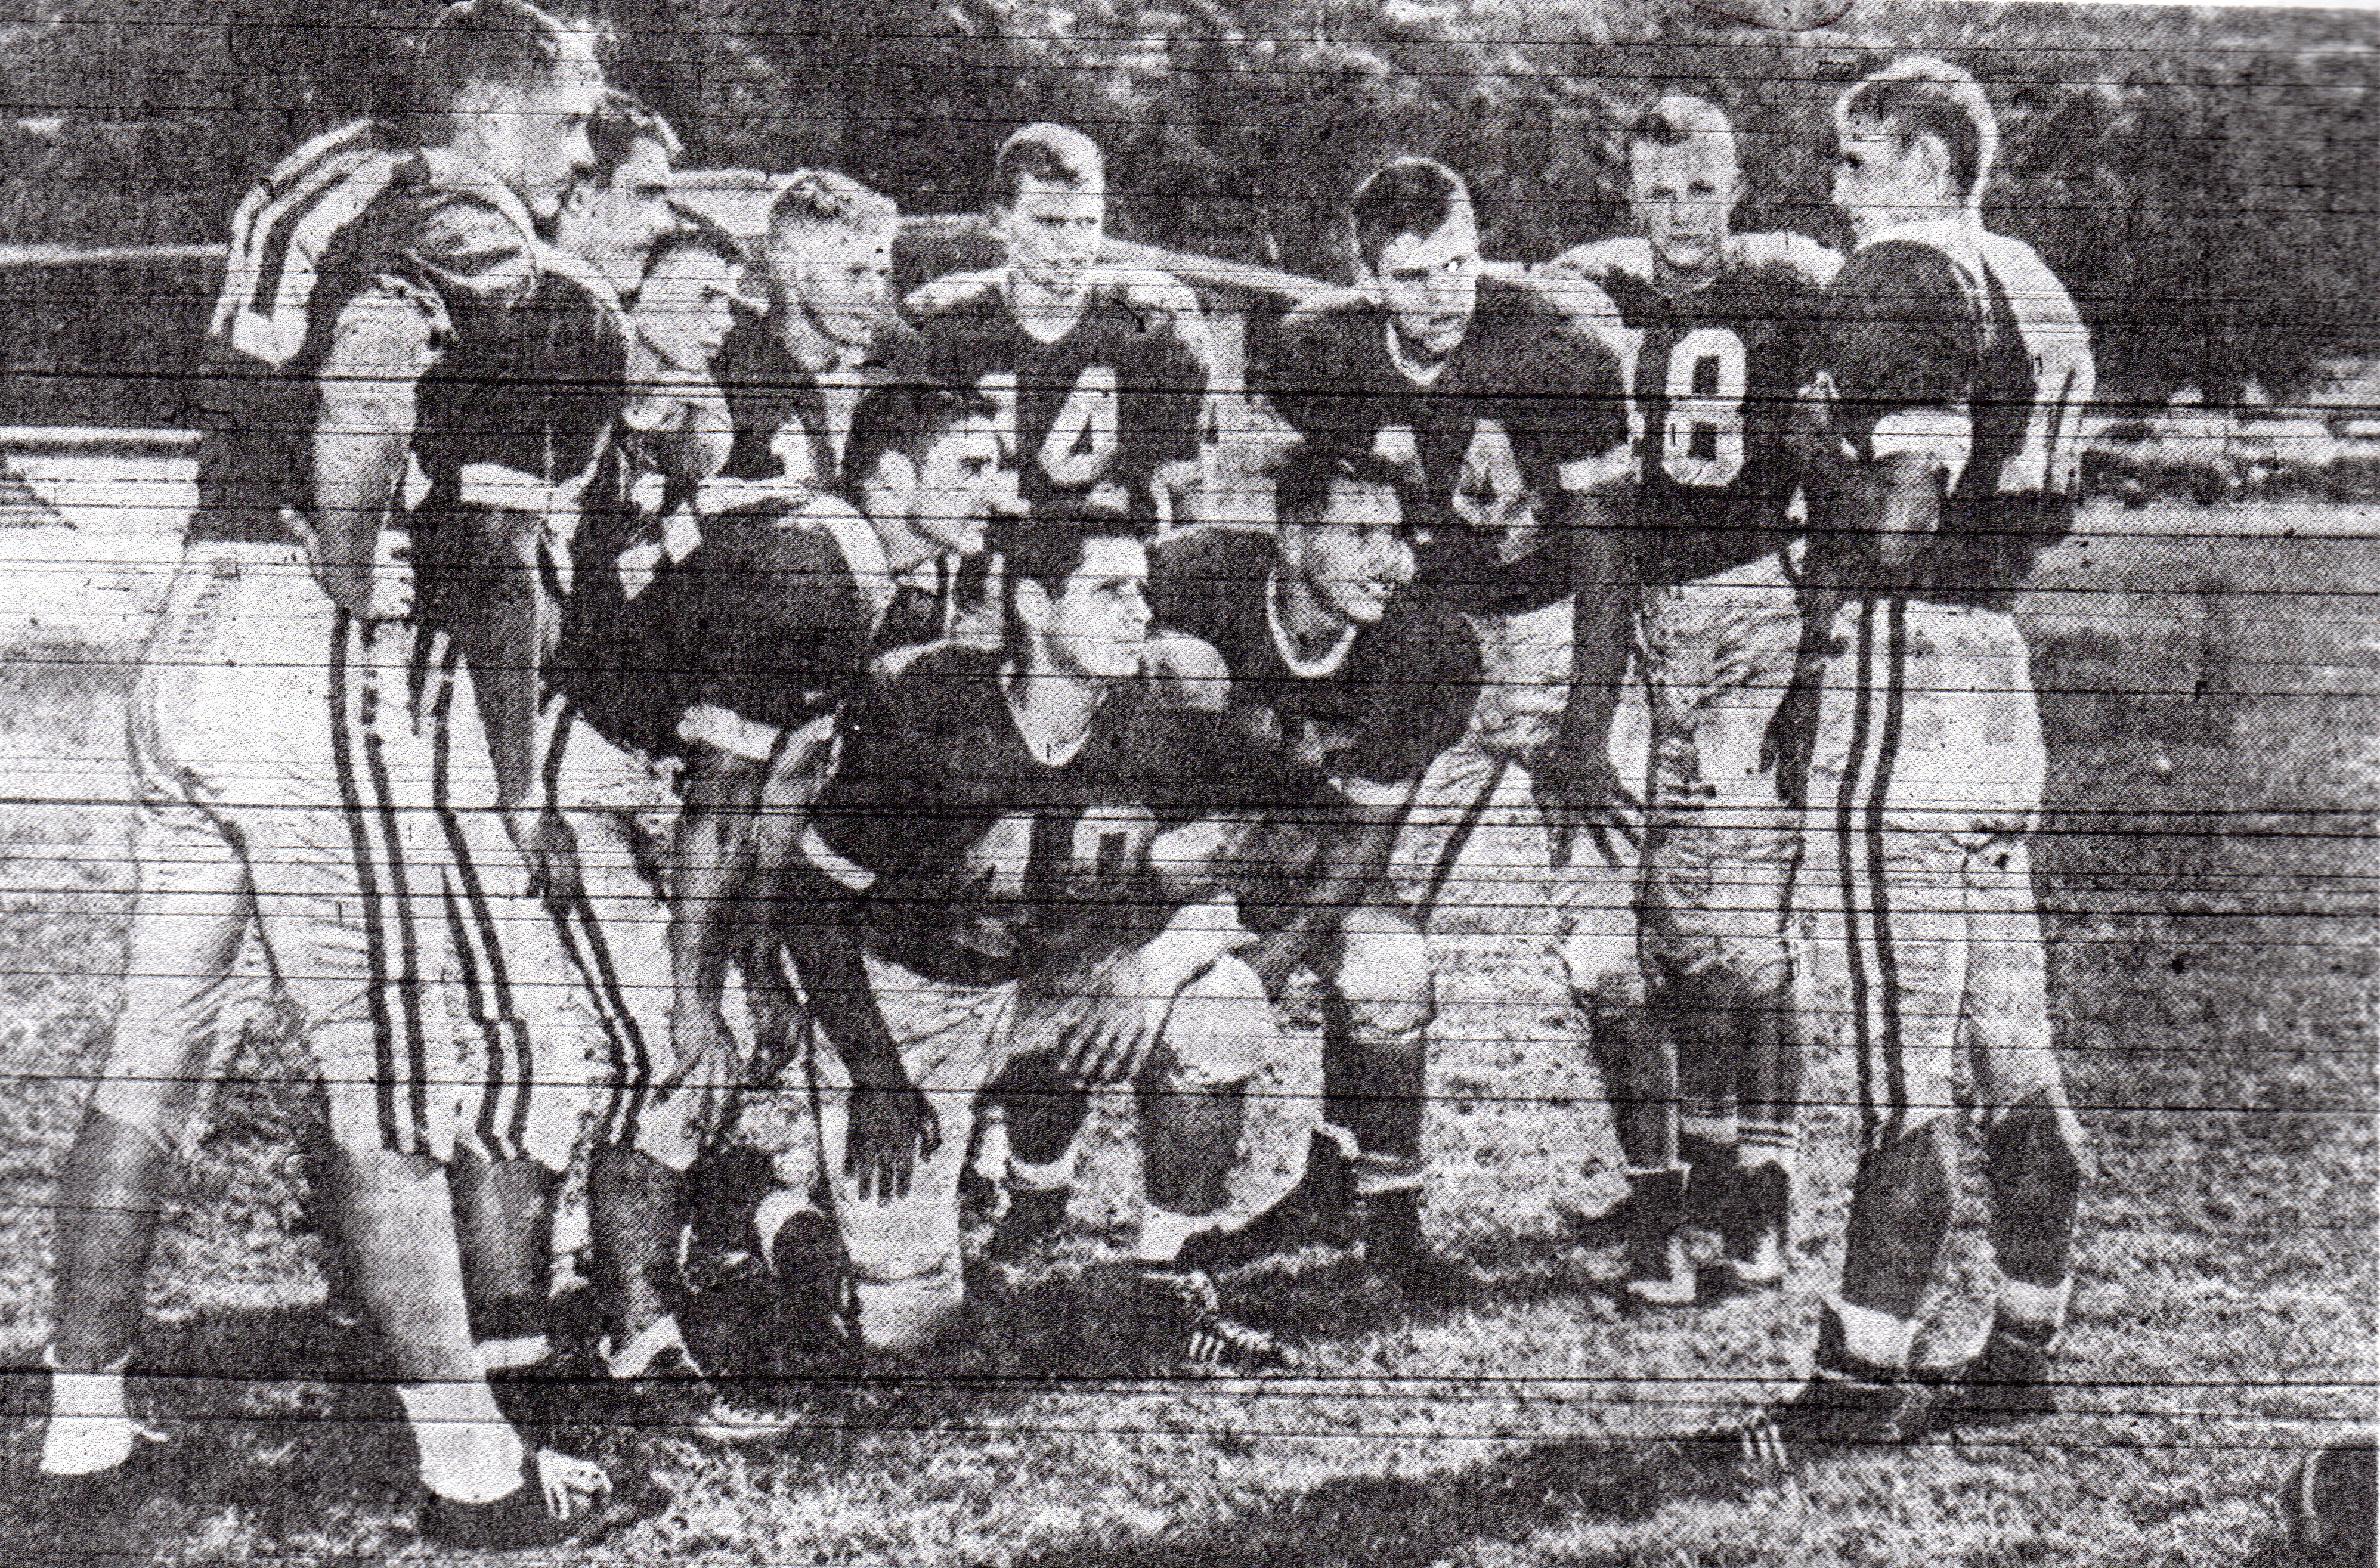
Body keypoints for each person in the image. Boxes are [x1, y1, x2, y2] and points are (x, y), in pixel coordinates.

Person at [41, 1, 656, 1549]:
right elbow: (376, 358)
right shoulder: (461, 203)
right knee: (392, 1065)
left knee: (149, 1045)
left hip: (184, 626)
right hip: (293, 644)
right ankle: (473, 1470)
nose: (578, 148)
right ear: (498, 107)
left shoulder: (311, 167)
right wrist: (344, 540)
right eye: (569, 118)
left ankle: (82, 1415)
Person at [1750, 55, 2095, 1454]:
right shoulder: (2033, 278)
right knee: (2014, 1055)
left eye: (1858, 159)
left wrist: (1813, 458)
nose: (1837, 193)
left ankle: (1855, 1378)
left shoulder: (1903, 269)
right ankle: (2022, 1341)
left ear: (1928, 164)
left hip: (1905, 674)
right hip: (1998, 675)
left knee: (1906, 1075)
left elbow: (1894, 524)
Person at [779, 513, 1340, 1368]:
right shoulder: (934, 720)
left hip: (1047, 989)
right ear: (1036, 605)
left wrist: (1151, 959)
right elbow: (810, 903)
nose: (1137, 614)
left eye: (1143, 593)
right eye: (1109, 591)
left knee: (1218, 1007)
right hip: (909, 1004)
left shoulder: (1154, 727)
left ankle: (1168, 1276)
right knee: (903, 1335)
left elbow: (1324, 829)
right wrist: (876, 1074)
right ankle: (764, 1207)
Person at [553, 380, 1021, 1402]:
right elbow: (723, 805)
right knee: (669, 1054)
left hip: (670, 790)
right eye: (974, 469)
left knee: (718, 1035)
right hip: (589, 773)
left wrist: (763, 972)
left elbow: (783, 795)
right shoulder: (817, 568)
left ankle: (705, 1231)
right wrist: (696, 1001)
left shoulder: (904, 572)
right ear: (892, 479)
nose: (1002, 493)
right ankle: (637, 1339)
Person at [989, 444, 1480, 1299]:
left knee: (1393, 969)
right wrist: (1136, 934)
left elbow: (1367, 834)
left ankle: (1388, 1218)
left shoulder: (1426, 645)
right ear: (1291, 540)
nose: (1388, 561)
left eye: (1396, 536)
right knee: (1078, 959)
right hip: (1156, 837)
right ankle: (1035, 1188)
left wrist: (1277, 955)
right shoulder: (1187, 580)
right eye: (1358, 534)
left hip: (1300, 854)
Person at [1252, 155, 1636, 1236]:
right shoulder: (1319, 351)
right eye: (1416, 275)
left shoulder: (1553, 346)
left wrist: (1588, 727)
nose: (1445, 293)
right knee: (1378, 914)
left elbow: (1608, 553)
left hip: (1557, 627)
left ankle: (1667, 1198)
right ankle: (1346, 1181)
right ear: (1369, 277)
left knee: (1609, 940)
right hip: (1434, 640)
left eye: (1460, 263)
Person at [401, 85, 688, 1377]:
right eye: (633, 188)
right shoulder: (554, 303)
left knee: (525, 1041)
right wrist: (524, 787)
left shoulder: (582, 310)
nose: (659, 219)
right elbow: (499, 557)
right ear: (567, 190)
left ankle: (571, 1334)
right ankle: (513, 1375)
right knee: (527, 1050)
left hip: (493, 700)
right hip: (466, 706)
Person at [1539, 96, 1839, 1307]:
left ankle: (1755, 1189)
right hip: (1614, 619)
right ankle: (1667, 1184)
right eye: (1658, 192)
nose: (1681, 217)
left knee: (1741, 930)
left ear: (1740, 188)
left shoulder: (1791, 284)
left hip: (1746, 607)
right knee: (1611, 939)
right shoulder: (1592, 287)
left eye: (1702, 189)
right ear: (1630, 195)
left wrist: (1814, 645)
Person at [906, 122, 1211, 531]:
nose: (1071, 244)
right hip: (983, 559)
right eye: (1049, 222)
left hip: (1110, 563)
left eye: (1087, 223)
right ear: (1000, 221)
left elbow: (1187, 486)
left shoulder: (1152, 317)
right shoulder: (946, 317)